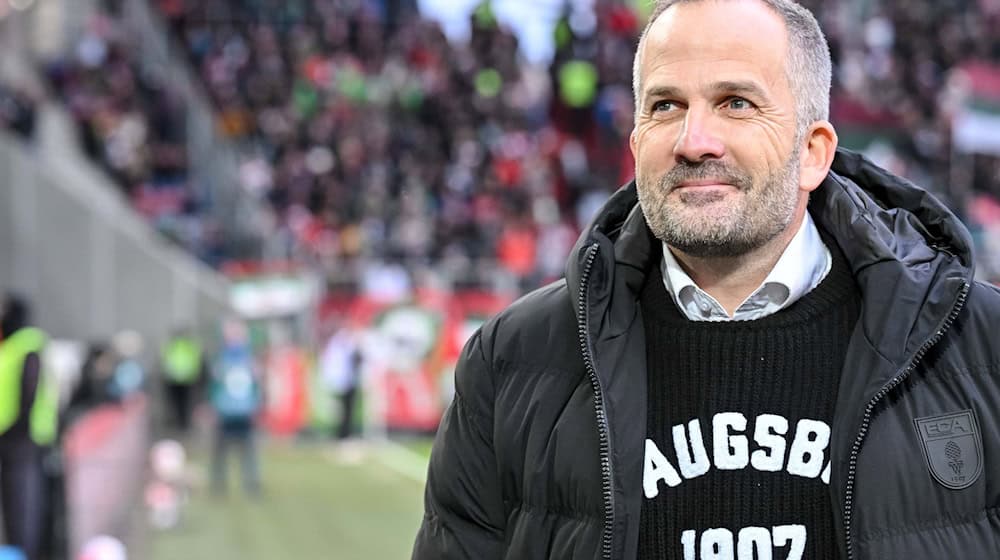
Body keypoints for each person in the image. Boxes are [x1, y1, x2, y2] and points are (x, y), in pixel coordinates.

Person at [412, 1, 1000, 559]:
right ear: (636, 141)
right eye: (665, 106)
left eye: (736, 103)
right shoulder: (510, 361)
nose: (693, 142)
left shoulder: (984, 350)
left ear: (813, 152)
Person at [0, 295, 57, 560]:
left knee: (22, 501)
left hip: (22, 437)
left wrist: (19, 427)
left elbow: (29, 389)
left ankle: (23, 553)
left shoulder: (27, 344)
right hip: (14, 435)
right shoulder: (14, 345)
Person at [208, 318, 261, 497]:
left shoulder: (249, 359)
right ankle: (219, 485)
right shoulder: (221, 359)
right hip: (226, 412)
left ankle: (251, 484)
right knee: (221, 452)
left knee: (248, 451)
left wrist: (256, 406)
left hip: (244, 412)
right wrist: (214, 407)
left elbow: (256, 386)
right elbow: (214, 386)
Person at [160, 327, 204, 434]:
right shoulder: (188, 345)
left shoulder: (173, 345)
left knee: (180, 402)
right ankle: (183, 423)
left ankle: (182, 423)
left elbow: (166, 359)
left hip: (176, 378)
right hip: (184, 378)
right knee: (183, 402)